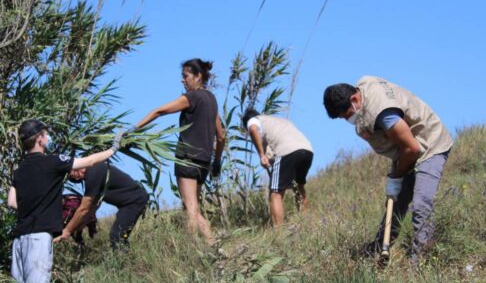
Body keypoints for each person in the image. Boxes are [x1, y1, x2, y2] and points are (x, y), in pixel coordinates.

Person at [323, 76, 454, 267]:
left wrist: (396, 176)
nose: (347, 120)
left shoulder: (384, 114)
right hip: (406, 147)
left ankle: (420, 260)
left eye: (347, 114)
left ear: (355, 99)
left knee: (421, 203)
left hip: (429, 143)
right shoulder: (364, 86)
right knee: (396, 201)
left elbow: (413, 149)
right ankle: (378, 248)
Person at [7, 119, 122, 283]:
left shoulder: (19, 170)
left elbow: (11, 202)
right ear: (39, 139)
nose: (48, 137)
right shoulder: (53, 162)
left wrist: (32, 206)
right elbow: (89, 162)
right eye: (46, 134)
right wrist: (113, 148)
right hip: (39, 238)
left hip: (19, 238)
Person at [124, 58, 225, 245]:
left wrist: (132, 129)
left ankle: (191, 249)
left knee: (190, 209)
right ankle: (214, 245)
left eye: (185, 76)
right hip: (204, 162)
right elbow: (221, 136)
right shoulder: (212, 100)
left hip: (187, 159)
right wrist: (217, 161)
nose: (183, 80)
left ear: (198, 76)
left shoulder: (193, 97)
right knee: (194, 207)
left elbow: (160, 111)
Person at [242, 108, 314, 226]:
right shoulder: (277, 121)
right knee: (299, 187)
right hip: (307, 150)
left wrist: (261, 155)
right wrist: (268, 158)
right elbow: (274, 145)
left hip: (287, 152)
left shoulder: (253, 120)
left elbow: (253, 129)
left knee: (276, 193)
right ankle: (305, 223)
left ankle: (278, 231)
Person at [54, 163, 149, 251]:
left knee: (117, 235)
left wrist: (67, 230)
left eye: (72, 171)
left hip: (134, 202)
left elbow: (84, 208)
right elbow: (94, 204)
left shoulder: (93, 173)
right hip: (129, 203)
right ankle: (123, 260)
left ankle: (123, 264)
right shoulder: (94, 171)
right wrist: (82, 223)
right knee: (119, 235)